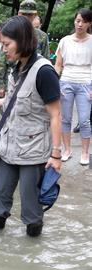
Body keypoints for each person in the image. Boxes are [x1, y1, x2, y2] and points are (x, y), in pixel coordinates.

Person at [0, 16, 62, 237]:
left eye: (7, 44)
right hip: (8, 149)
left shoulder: (44, 72)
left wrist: (56, 156)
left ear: (23, 40)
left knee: (31, 206)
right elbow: (19, 100)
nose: (4, 50)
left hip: (33, 152)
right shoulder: (16, 67)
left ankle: (32, 250)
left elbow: (56, 115)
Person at [55, 8, 92, 165]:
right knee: (65, 119)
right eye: (77, 20)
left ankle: (85, 153)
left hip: (86, 83)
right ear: (74, 21)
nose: (80, 24)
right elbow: (58, 65)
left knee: (84, 120)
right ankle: (67, 149)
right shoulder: (64, 41)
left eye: (83, 21)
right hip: (66, 82)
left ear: (89, 23)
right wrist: (56, 85)